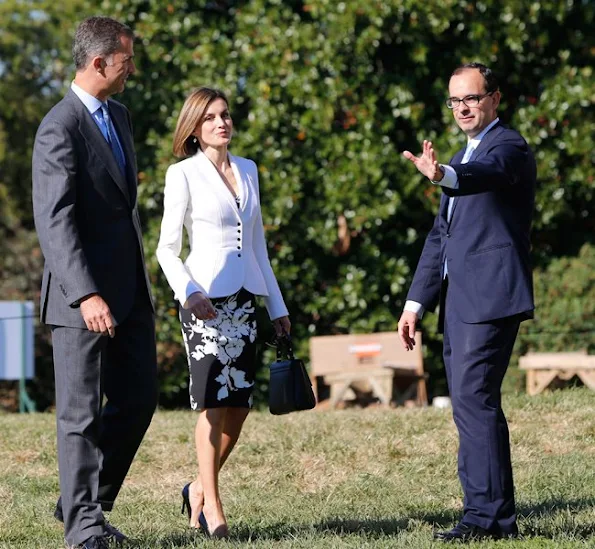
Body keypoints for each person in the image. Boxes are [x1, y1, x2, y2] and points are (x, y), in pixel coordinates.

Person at [32, 16, 158, 549]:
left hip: (129, 292)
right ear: (99, 62)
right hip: (79, 298)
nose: (132, 70)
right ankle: (82, 527)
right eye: (126, 61)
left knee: (139, 399)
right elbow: (54, 218)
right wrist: (86, 293)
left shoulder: (120, 117)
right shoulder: (58, 127)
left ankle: (81, 500)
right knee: (80, 414)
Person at [399, 62, 536, 543]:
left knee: (475, 401)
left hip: (491, 296)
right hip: (457, 302)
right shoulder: (459, 156)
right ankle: (487, 514)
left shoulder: (507, 147)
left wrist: (444, 174)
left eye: (472, 98)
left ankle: (489, 520)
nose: (463, 108)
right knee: (468, 405)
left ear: (494, 99)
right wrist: (415, 304)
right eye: (455, 100)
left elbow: (486, 175)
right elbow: (441, 237)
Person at [156, 87, 291, 538]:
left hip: (246, 299)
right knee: (213, 402)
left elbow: (257, 245)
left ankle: (196, 486)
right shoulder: (183, 175)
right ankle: (212, 505)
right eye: (211, 117)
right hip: (204, 303)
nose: (222, 123)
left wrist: (277, 305)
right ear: (194, 128)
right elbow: (166, 249)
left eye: (225, 115)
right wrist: (188, 292)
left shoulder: (249, 170)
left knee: (240, 405)